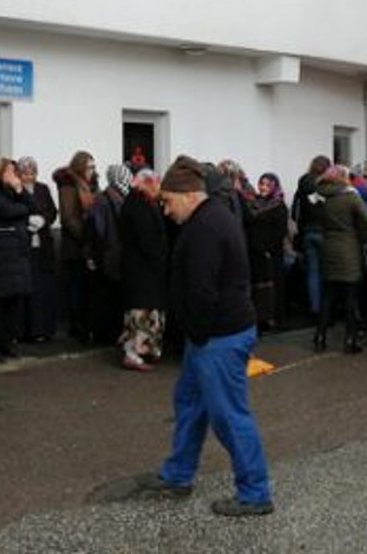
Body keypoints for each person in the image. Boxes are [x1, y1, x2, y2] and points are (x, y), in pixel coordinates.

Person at [137, 156, 273, 517]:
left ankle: (255, 493)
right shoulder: (209, 219)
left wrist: (195, 331)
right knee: (190, 403)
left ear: (187, 195)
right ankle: (178, 474)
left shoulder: (206, 227)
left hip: (218, 336)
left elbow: (202, 291)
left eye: (166, 201)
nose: (165, 210)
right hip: (211, 336)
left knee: (228, 415)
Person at [0, 158, 36, 362]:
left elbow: (33, 206)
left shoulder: (12, 189)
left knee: (13, 302)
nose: (15, 176)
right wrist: (22, 210)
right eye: (11, 171)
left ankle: (7, 342)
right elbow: (6, 210)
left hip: (16, 251)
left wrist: (20, 190)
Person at [314, 165, 367, 354]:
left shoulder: (319, 196)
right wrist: (363, 237)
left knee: (328, 296)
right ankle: (350, 340)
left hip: (328, 246)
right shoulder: (351, 196)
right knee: (350, 298)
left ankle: (320, 336)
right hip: (348, 248)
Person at [118, 169, 168, 372]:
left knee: (148, 310)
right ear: (147, 183)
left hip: (144, 268)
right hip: (142, 269)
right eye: (157, 184)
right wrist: (161, 257)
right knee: (140, 311)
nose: (159, 189)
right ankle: (134, 353)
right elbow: (147, 239)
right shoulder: (137, 204)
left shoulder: (142, 202)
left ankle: (147, 350)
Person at [85, 165, 130, 348]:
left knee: (112, 296)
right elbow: (96, 230)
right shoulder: (105, 200)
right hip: (108, 254)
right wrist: (93, 255)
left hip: (112, 253)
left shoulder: (112, 197)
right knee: (107, 297)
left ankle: (109, 333)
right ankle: (105, 334)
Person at [55, 151, 97, 343]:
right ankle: (77, 328)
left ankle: (86, 326)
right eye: (89, 167)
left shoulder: (91, 185)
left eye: (93, 167)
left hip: (88, 244)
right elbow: (68, 217)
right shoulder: (69, 185)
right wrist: (85, 237)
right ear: (80, 167)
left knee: (87, 289)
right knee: (76, 288)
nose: (92, 171)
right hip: (75, 247)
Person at [18, 156, 59, 341]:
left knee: (43, 289)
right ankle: (27, 330)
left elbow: (52, 211)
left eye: (32, 173)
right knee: (28, 289)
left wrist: (43, 221)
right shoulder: (15, 190)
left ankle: (44, 329)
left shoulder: (42, 189)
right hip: (24, 245)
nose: (29, 177)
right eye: (25, 173)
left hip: (43, 246)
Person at [291, 155, 332, 325]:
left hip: (307, 231)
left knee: (313, 273)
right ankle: (326, 310)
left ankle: (314, 308)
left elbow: (296, 207)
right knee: (326, 273)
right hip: (325, 231)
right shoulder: (326, 185)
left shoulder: (304, 181)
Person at [246, 173, 289, 332]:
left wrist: (268, 248)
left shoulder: (279, 206)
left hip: (271, 254)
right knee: (258, 287)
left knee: (273, 287)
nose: (263, 188)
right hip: (255, 253)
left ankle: (273, 319)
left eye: (268, 185)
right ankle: (260, 318)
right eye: (261, 183)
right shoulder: (254, 203)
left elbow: (280, 232)